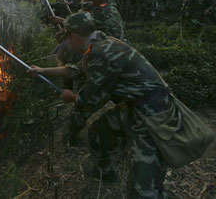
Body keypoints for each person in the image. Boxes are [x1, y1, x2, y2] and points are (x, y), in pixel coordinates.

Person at [28, 12, 180, 198]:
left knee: (142, 190)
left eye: (67, 38)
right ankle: (104, 171)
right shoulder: (102, 42)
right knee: (99, 131)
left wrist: (71, 96)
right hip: (136, 106)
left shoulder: (101, 52)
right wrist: (42, 70)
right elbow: (75, 69)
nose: (67, 44)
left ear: (73, 36)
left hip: (152, 113)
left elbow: (92, 99)